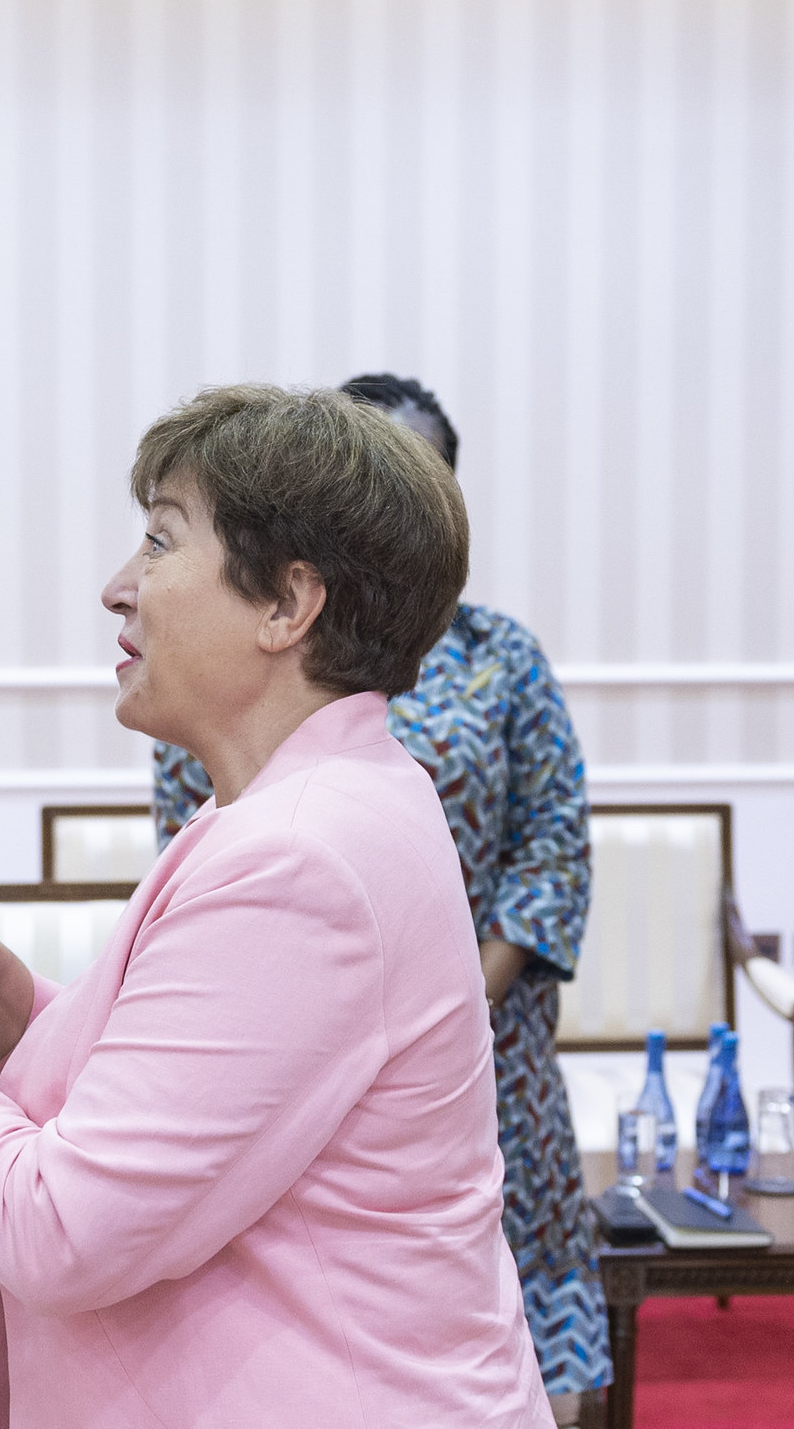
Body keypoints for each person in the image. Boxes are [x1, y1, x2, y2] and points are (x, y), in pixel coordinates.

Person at [0, 386, 552, 1427]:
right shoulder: (314, 801)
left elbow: (62, 1231)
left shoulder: (296, 855)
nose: (117, 589)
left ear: (286, 605)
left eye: (160, 542)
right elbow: (200, 1082)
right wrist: (1, 1001)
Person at [154, 372, 608, 1424]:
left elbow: (552, 851)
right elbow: (193, 845)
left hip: (489, 1044)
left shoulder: (500, 656)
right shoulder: (234, 657)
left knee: (510, 1347)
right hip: (291, 1044)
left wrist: (451, 992)